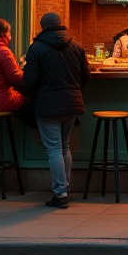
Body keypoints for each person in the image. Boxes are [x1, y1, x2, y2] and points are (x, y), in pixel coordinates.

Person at [22, 12, 90, 209]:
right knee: (64, 146)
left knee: (53, 148)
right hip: (72, 103)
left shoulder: (36, 47)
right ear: (61, 24)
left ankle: (60, 193)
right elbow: (85, 75)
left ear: (42, 26)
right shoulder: (76, 45)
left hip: (47, 104)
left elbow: (30, 80)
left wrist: (36, 96)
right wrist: (74, 90)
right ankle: (65, 188)